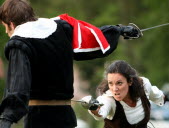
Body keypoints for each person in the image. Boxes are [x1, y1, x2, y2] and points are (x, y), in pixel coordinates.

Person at [0, 0, 141, 128]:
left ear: (11, 24)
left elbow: (18, 85)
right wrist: (119, 30)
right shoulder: (60, 29)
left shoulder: (19, 43)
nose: (6, 32)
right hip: (67, 117)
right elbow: (93, 37)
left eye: (5, 27)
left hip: (39, 120)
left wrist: (6, 118)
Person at [81, 60, 168, 128]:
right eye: (110, 83)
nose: (114, 89)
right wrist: (93, 107)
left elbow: (158, 96)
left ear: (130, 81)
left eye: (119, 83)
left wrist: (166, 98)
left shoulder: (144, 86)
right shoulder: (108, 99)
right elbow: (100, 112)